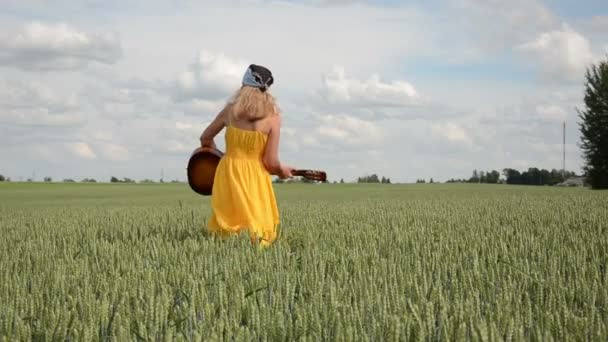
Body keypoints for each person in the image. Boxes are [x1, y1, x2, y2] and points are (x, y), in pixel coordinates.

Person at [199, 64, 294, 247]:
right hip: (255, 174)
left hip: (229, 171)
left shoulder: (230, 111)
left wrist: (217, 154)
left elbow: (205, 138)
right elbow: (270, 162)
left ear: (243, 85)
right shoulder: (273, 117)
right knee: (256, 224)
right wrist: (282, 172)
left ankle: (226, 250)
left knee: (229, 218)